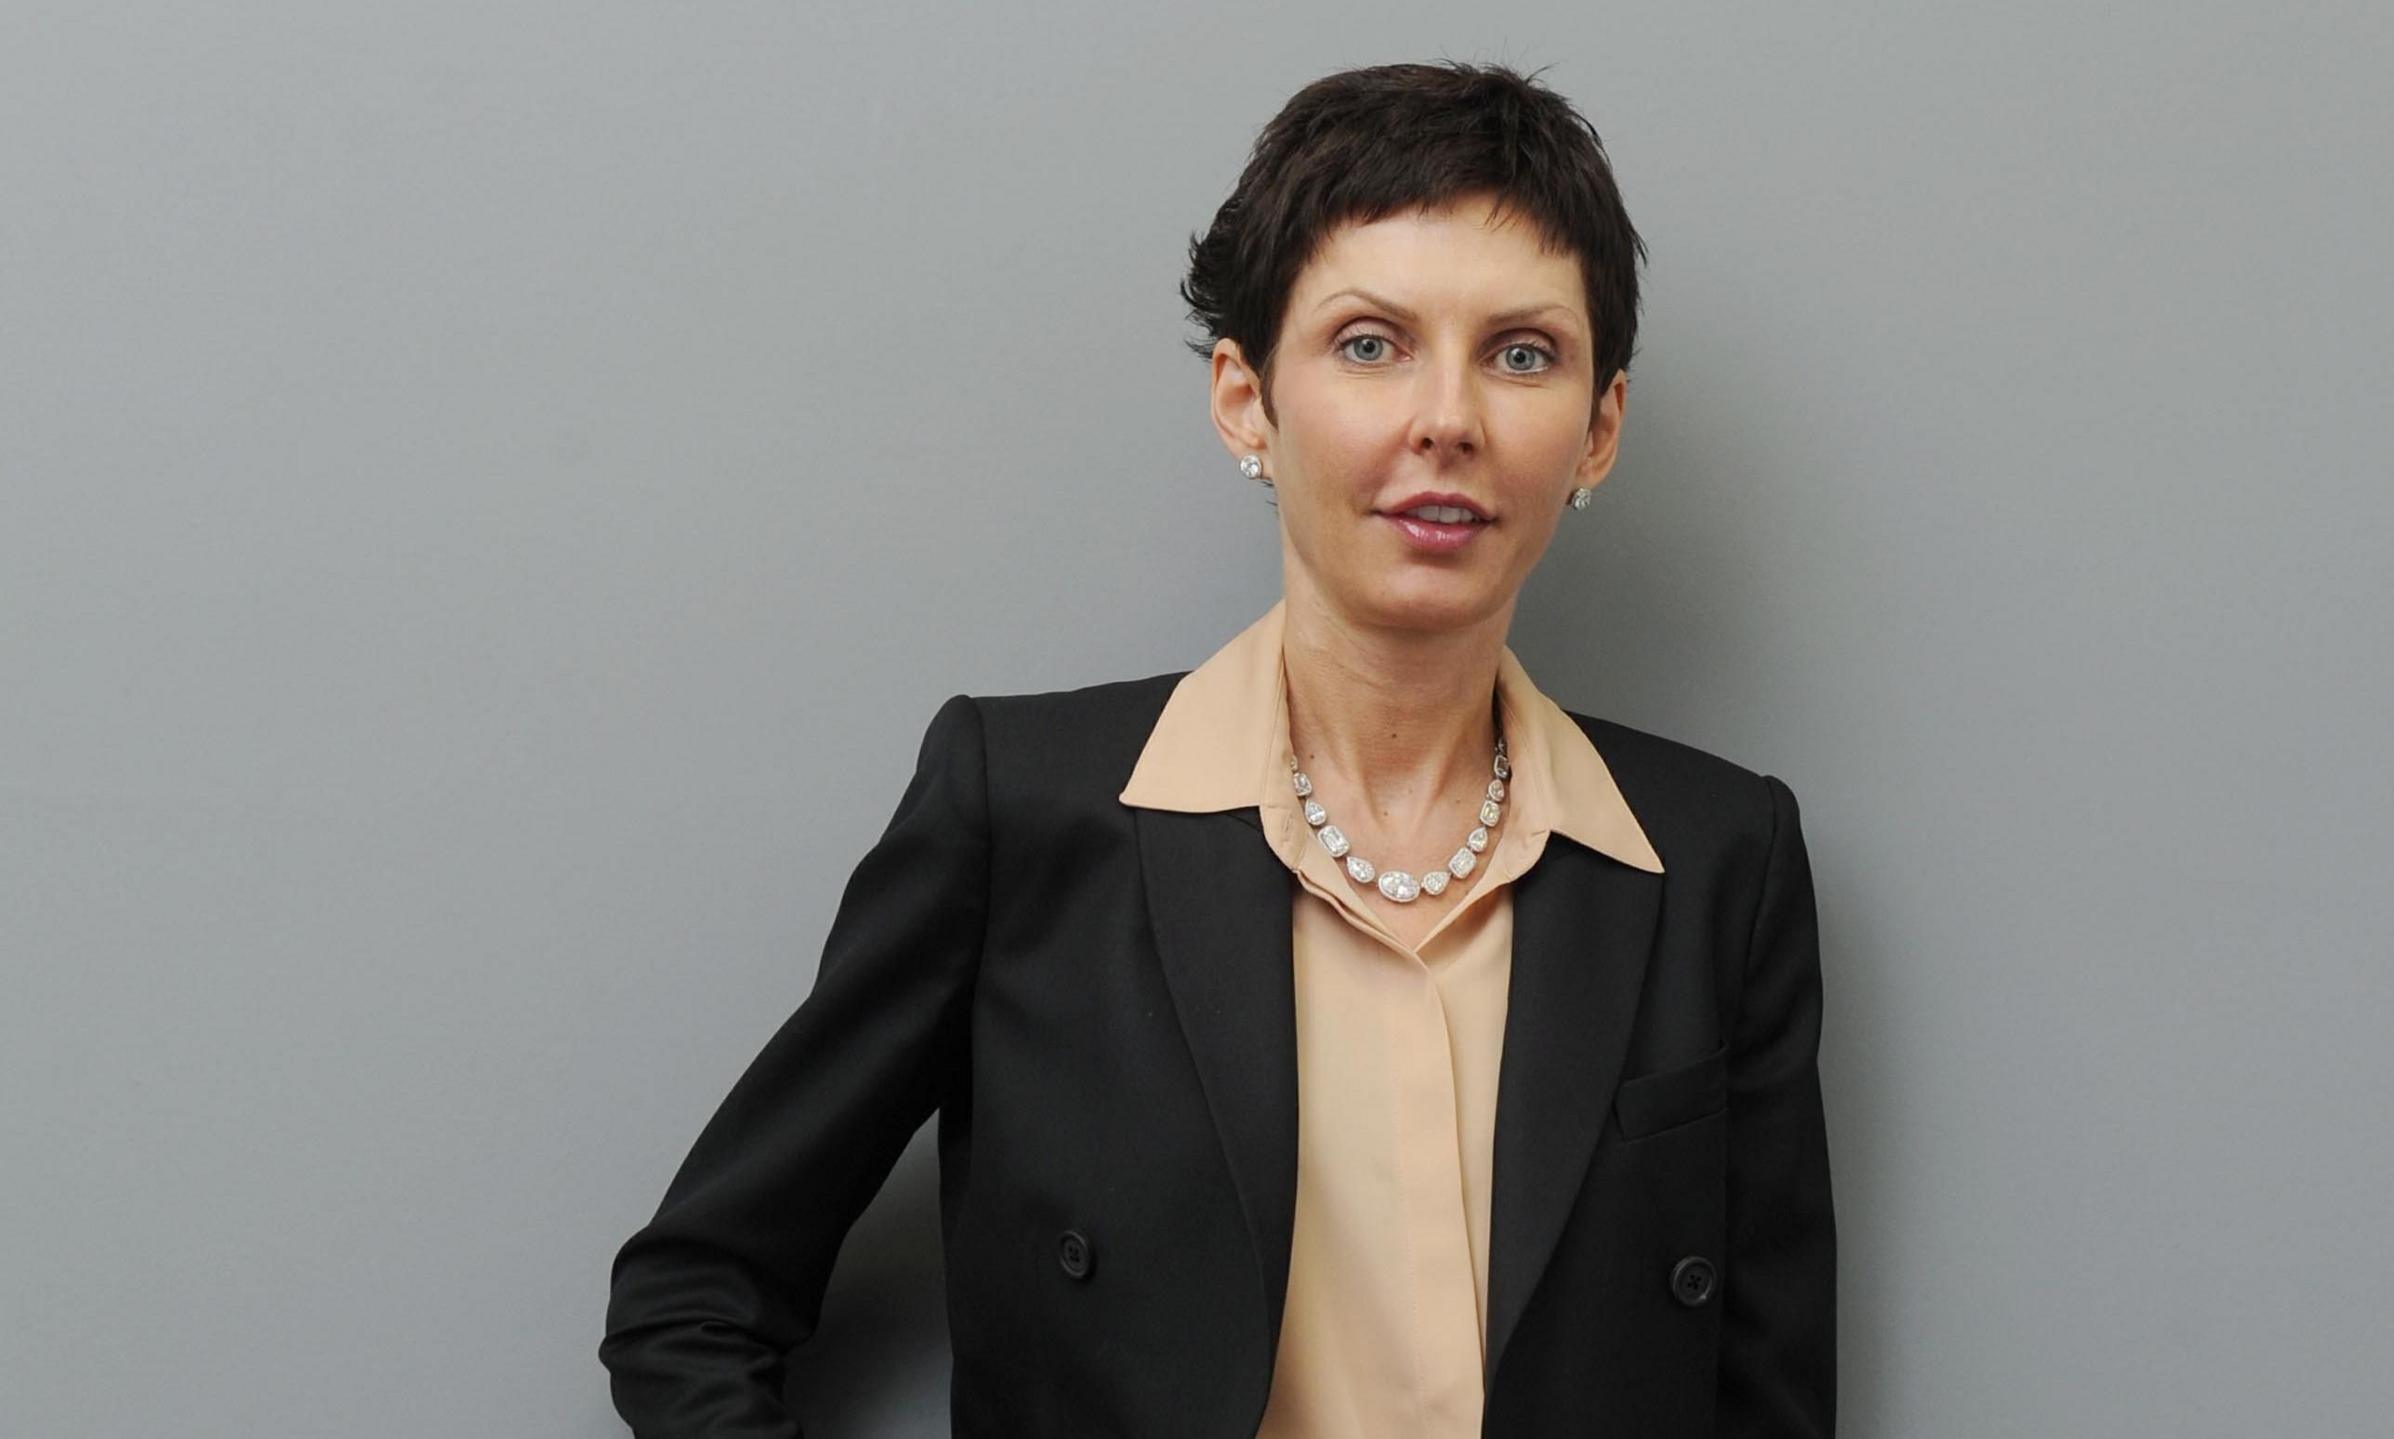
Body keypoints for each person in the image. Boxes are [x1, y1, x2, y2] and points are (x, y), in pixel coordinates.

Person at [601, 59, 1835, 1439]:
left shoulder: (1721, 862)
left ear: (1598, 429)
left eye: (1521, 352)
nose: (1448, 419)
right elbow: (690, 1298)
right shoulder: (1022, 814)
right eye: (1371, 343)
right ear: (1247, 402)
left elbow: (1768, 1395)